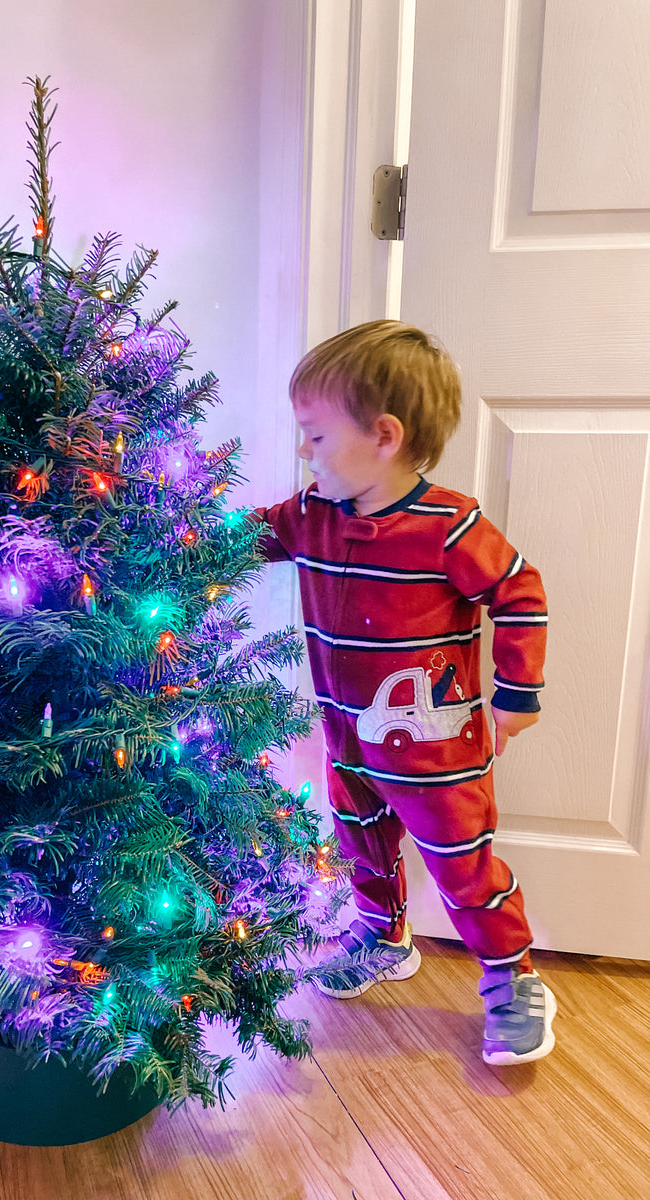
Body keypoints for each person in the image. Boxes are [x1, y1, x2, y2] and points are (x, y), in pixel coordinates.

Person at [256, 320, 554, 1065]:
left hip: (436, 749)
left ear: (384, 437)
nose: (304, 452)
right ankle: (384, 934)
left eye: (316, 436)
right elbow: (251, 534)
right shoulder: (312, 515)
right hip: (346, 734)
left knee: (462, 864)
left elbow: (519, 591)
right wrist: (178, 531)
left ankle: (513, 979)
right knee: (360, 840)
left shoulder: (449, 526)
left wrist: (516, 695)